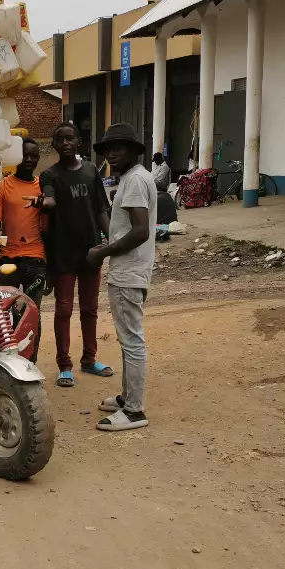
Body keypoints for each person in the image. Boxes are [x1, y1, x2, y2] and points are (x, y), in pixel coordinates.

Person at [87, 123, 157, 432]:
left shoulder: (135, 180)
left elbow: (140, 231)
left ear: (132, 150)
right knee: (128, 339)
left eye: (118, 148)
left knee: (132, 341)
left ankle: (134, 411)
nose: (111, 154)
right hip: (130, 269)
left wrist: (103, 252)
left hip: (129, 272)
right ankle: (127, 398)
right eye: (107, 149)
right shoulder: (134, 178)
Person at [39, 123, 113, 387]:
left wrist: (112, 242)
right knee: (63, 309)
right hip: (62, 252)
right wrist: (45, 202)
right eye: (60, 139)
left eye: (70, 138)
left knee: (90, 309)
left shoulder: (91, 171)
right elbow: (48, 199)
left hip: (91, 250)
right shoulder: (49, 175)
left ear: (79, 141)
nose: (65, 143)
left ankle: (89, 359)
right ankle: (64, 365)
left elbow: (101, 209)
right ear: (54, 145)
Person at [0, 139, 48, 359]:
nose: (29, 160)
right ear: (16, 157)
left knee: (33, 313)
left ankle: (31, 361)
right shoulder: (1, 187)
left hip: (36, 260)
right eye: (25, 156)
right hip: (8, 261)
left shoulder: (43, 188)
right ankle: (5, 359)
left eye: (34, 156)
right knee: (3, 313)